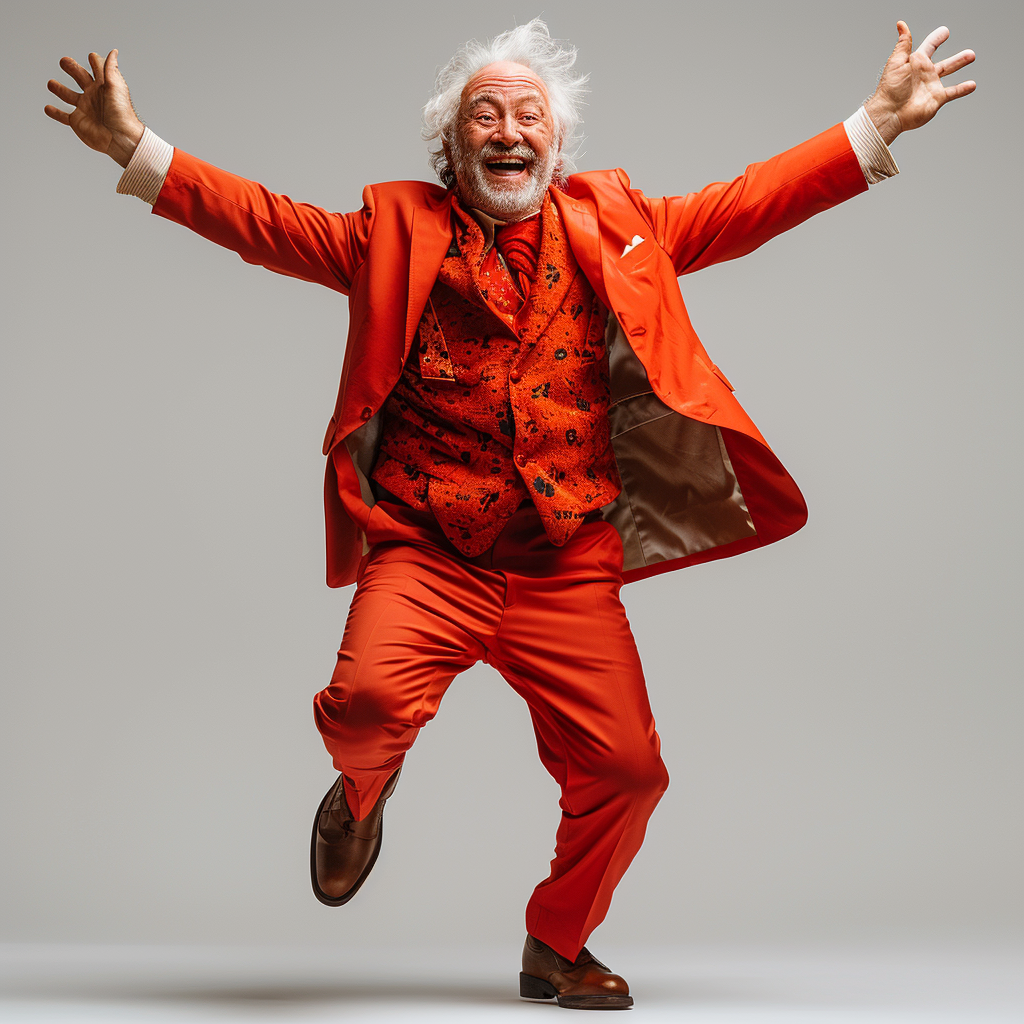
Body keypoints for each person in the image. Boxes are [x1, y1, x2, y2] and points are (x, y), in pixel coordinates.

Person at [45, 18, 975, 1010]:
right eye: (484, 114)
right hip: (426, 549)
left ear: (556, 144)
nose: (507, 129)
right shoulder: (392, 230)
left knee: (628, 773)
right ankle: (362, 792)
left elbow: (746, 203)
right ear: (450, 147)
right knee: (360, 712)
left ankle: (556, 943)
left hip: (564, 562)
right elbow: (264, 222)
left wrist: (875, 123)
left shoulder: (617, 223)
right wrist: (134, 147)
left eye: (528, 114)